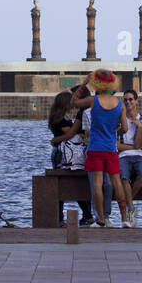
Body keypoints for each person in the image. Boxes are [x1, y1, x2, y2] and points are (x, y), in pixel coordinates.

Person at [71, 69, 128, 228]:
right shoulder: (119, 104)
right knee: (116, 182)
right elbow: (125, 128)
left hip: (95, 147)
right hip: (111, 148)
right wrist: (113, 129)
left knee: (97, 184)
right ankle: (124, 219)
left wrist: (84, 83)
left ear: (97, 83)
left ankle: (101, 219)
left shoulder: (93, 101)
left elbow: (73, 102)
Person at [48, 90, 93, 225]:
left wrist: (55, 140)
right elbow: (69, 134)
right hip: (63, 154)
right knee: (62, 185)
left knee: (74, 184)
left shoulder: (64, 118)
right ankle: (61, 217)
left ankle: (86, 214)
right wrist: (79, 123)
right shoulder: (60, 120)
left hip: (67, 152)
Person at [116, 89, 142, 228]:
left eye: (131, 99)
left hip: (139, 156)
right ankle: (130, 209)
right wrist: (133, 146)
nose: (128, 102)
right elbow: (116, 145)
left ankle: (128, 203)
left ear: (136, 101)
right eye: (126, 100)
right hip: (123, 156)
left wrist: (139, 128)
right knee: (124, 178)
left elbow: (140, 144)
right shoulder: (119, 121)